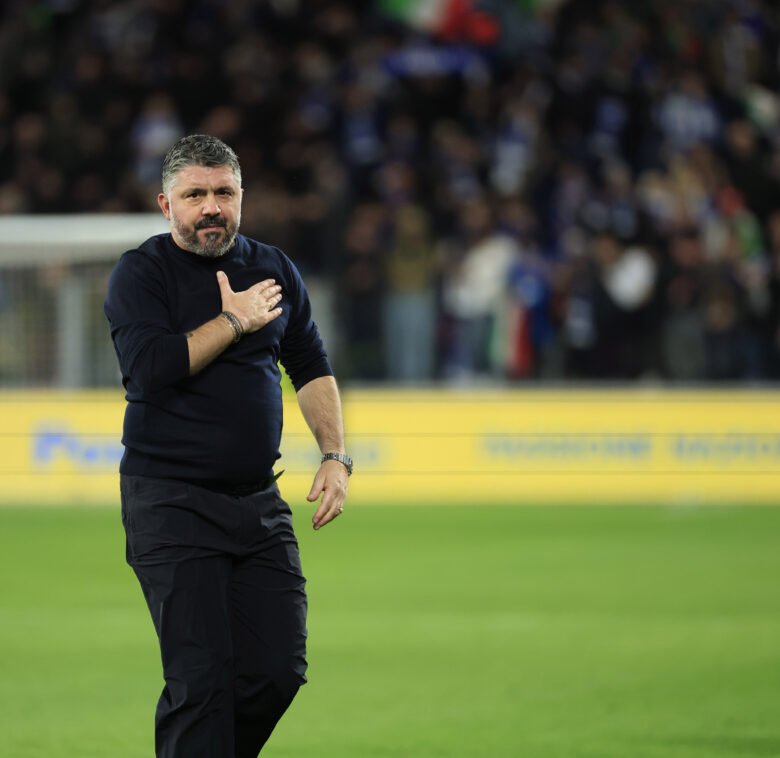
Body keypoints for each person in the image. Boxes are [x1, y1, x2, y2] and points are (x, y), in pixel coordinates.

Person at [103, 134, 352, 757]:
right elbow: (151, 369)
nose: (211, 207)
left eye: (224, 192)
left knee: (278, 670)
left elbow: (310, 364)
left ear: (242, 196)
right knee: (202, 683)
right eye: (195, 195)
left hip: (258, 503)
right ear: (166, 205)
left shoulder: (274, 267)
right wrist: (234, 321)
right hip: (170, 503)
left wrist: (334, 455)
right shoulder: (141, 273)